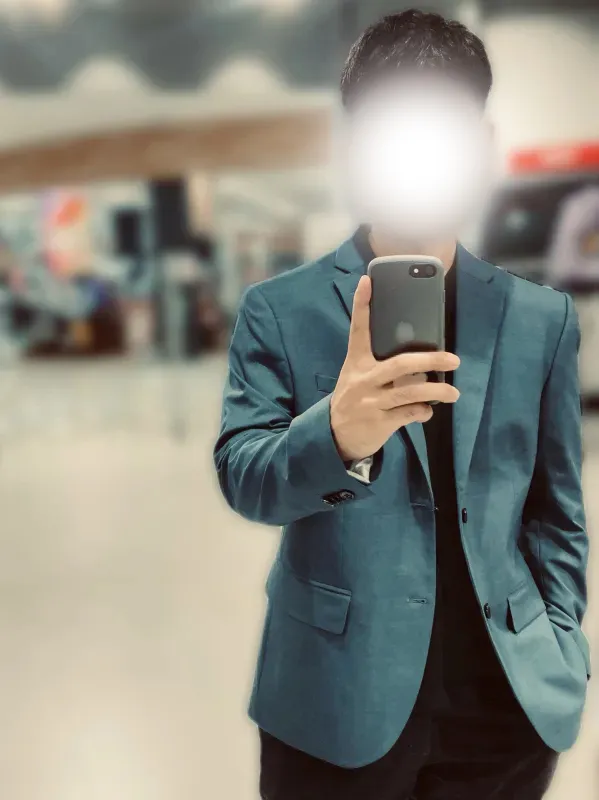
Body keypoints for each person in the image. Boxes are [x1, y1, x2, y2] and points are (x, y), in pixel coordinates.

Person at [213, 10, 590, 800]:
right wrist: (336, 435)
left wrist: (561, 643)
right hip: (333, 703)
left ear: (480, 150)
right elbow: (245, 479)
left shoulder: (540, 318)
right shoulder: (278, 309)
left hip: (505, 704)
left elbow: (555, 510)